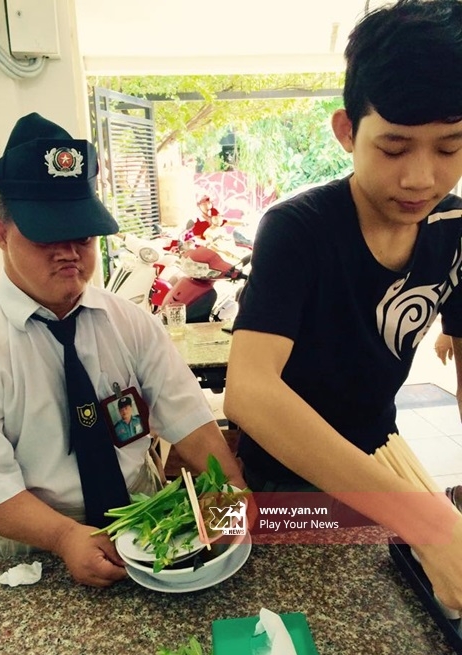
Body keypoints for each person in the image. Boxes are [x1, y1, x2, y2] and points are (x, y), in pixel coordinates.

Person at [224, 0, 462, 610]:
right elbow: (249, 391)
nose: (421, 178)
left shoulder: (456, 227)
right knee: (296, 620)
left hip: (382, 457)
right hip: (284, 482)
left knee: (392, 619)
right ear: (347, 132)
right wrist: (427, 521)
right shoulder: (299, 229)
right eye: (394, 148)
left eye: (449, 148)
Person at [0, 112, 245, 588]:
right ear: (2, 235)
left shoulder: (130, 323)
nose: (68, 252)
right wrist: (63, 536)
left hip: (149, 529)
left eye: (82, 235)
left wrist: (231, 497)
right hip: (37, 552)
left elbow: (190, 419)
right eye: (47, 234)